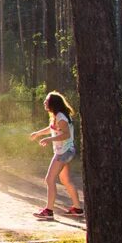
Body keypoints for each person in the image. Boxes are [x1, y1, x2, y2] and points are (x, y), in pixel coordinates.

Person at [29, 91, 84, 220]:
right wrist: (38, 133)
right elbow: (52, 129)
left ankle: (48, 211)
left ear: (53, 103)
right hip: (64, 151)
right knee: (65, 180)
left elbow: (66, 134)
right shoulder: (56, 116)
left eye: (47, 100)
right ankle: (77, 208)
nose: (44, 102)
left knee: (49, 179)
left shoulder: (60, 116)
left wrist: (49, 140)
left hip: (64, 152)